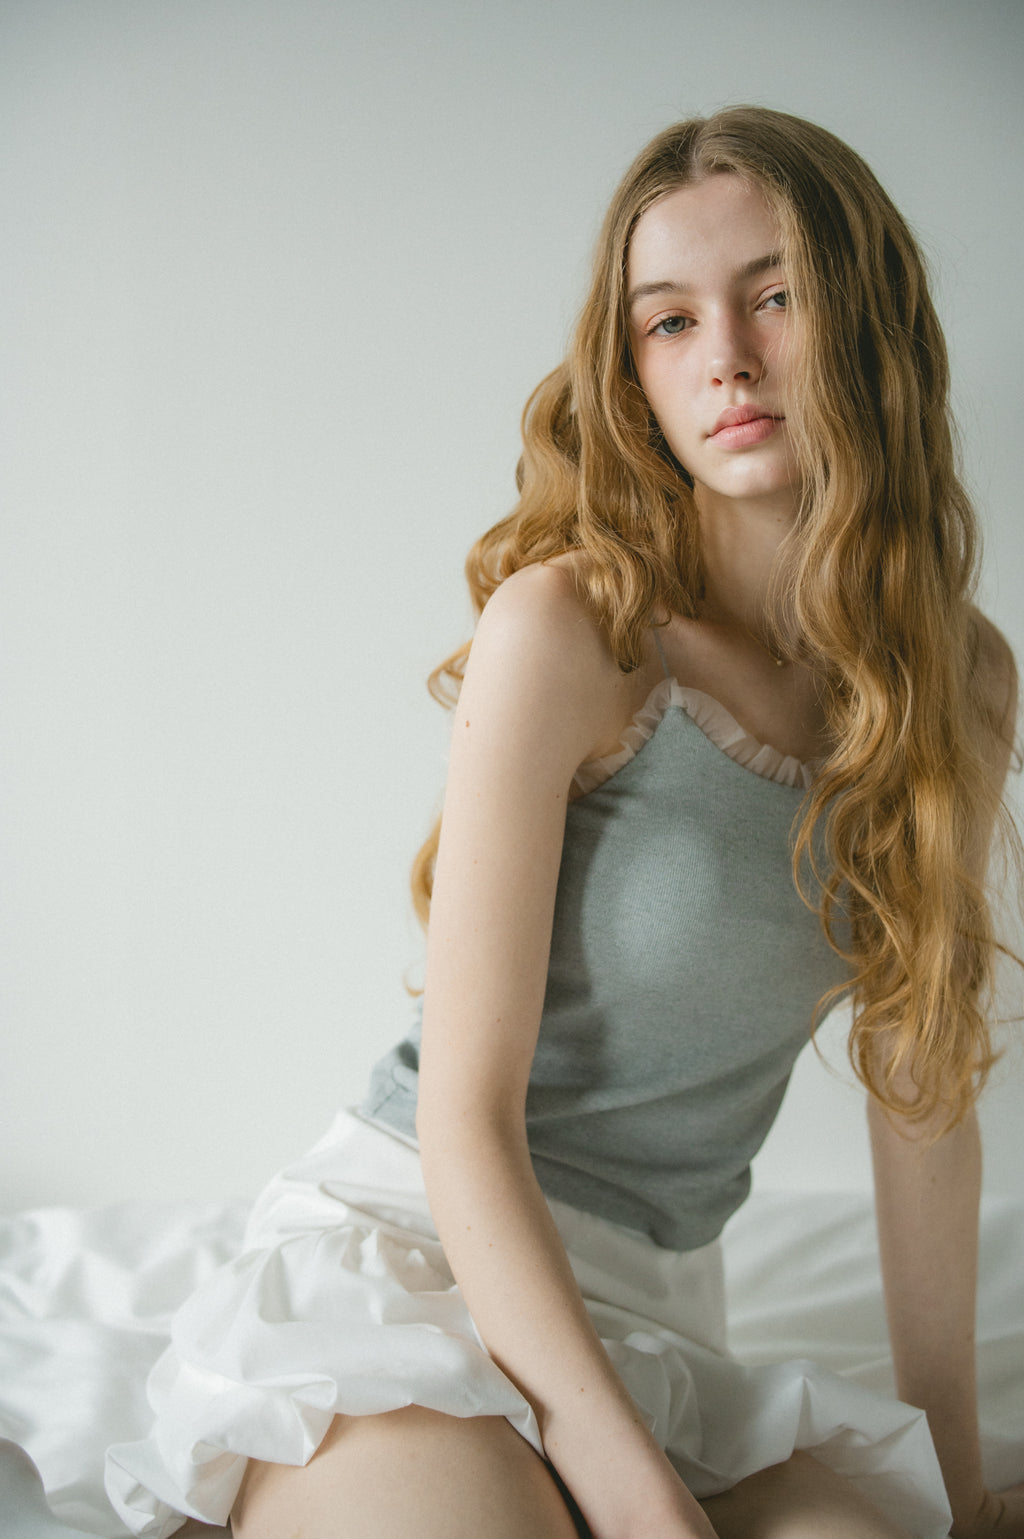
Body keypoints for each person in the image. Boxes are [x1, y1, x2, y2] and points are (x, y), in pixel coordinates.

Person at [105, 106, 1023, 1539]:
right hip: (423, 1253)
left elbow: (923, 1101)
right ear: (632, 370)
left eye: (776, 296)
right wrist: (637, 1501)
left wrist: (955, 1486)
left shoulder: (957, 680)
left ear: (871, 320)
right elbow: (466, 1119)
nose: (726, 357)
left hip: (657, 1313)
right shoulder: (573, 631)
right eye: (671, 322)